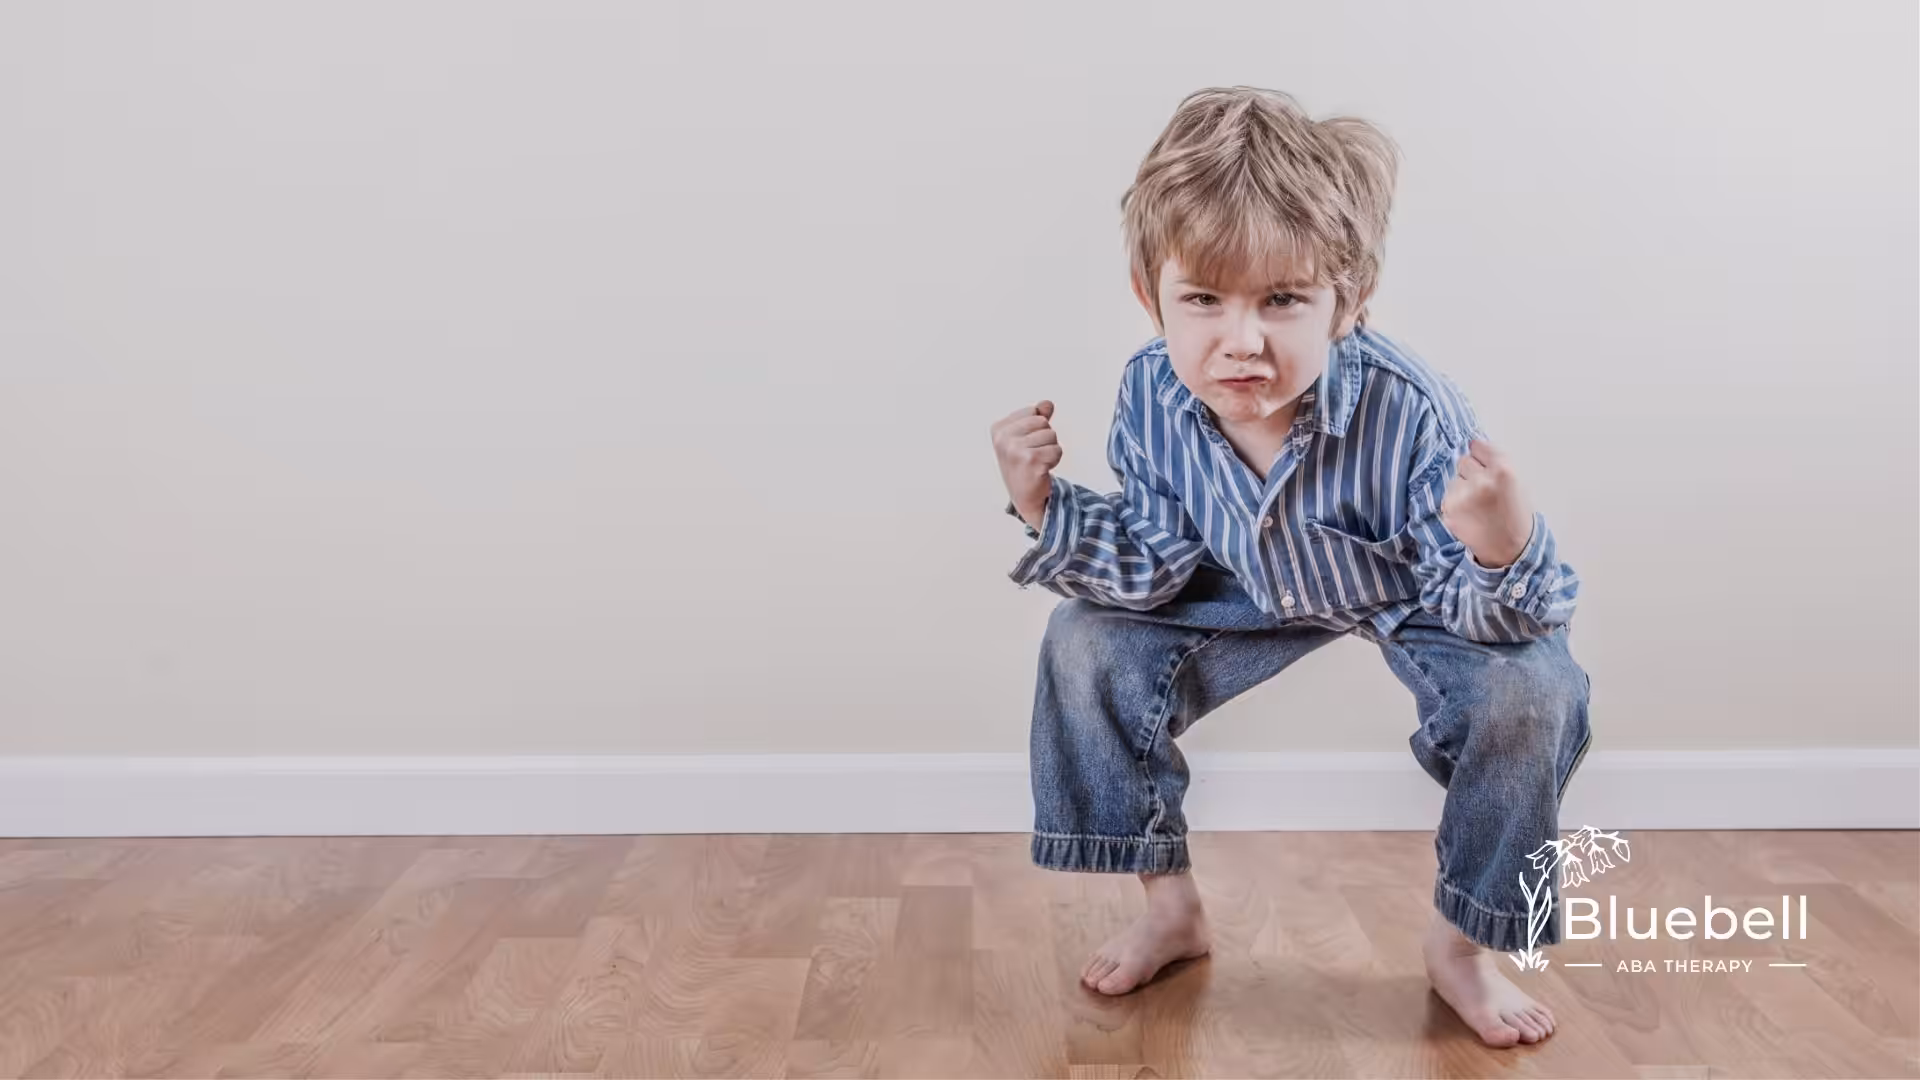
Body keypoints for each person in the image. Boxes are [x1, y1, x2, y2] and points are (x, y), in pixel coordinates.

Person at [988, 86, 1592, 1049]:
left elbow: (1503, 617)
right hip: (1240, 579)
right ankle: (1170, 909)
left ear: (1346, 303)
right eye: (1203, 300)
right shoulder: (1153, 391)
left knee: (1532, 693)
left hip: (1412, 585)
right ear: (1152, 298)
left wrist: (1501, 544)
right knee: (1085, 639)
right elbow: (1154, 561)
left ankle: (1464, 945)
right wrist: (1044, 508)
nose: (1241, 340)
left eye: (1283, 300)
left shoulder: (1412, 411)